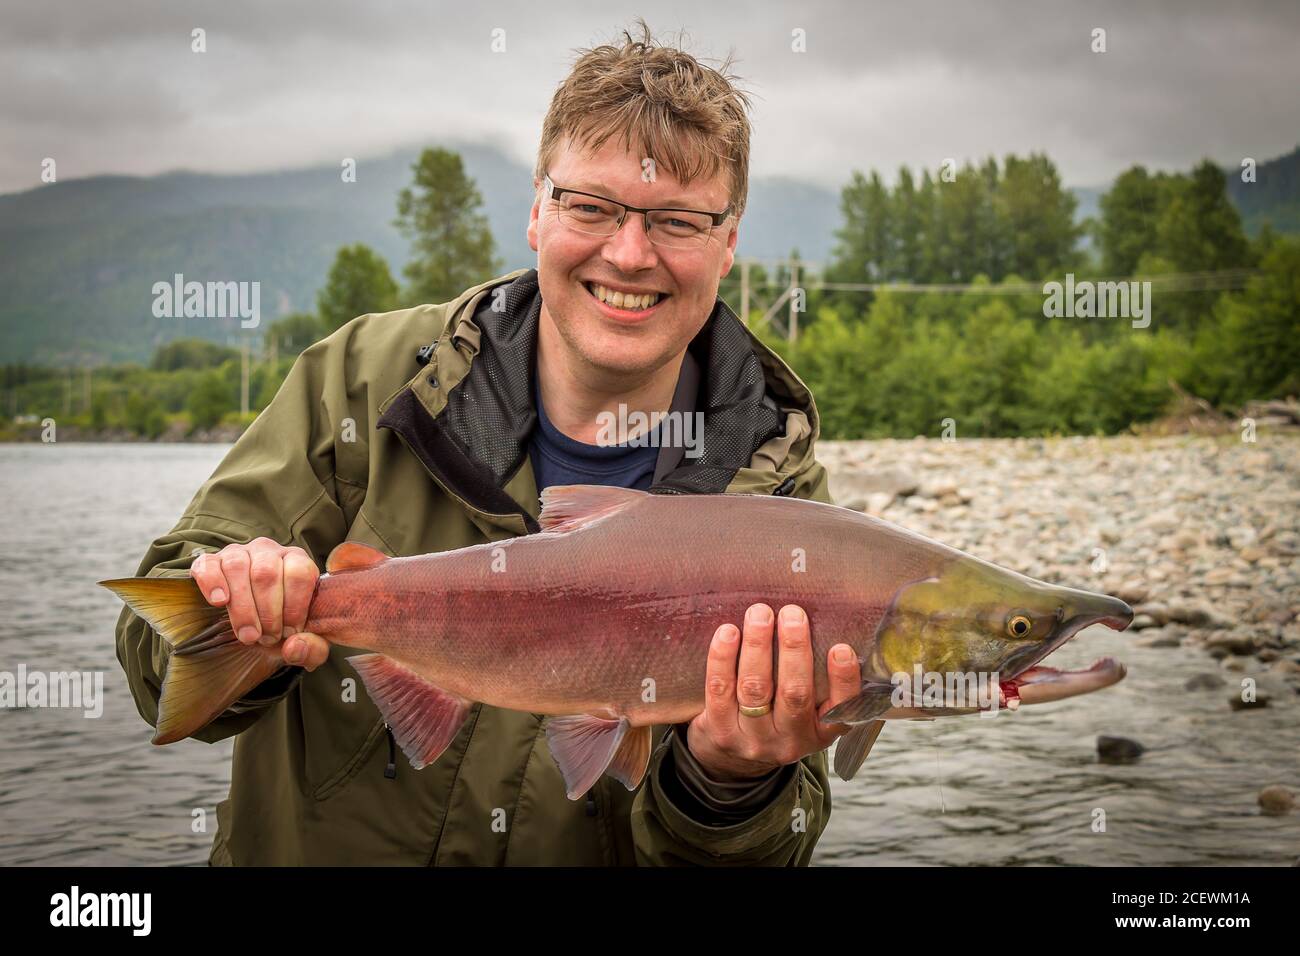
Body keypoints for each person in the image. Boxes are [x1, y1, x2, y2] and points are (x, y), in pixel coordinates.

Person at [114, 20, 862, 866]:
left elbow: (773, 851)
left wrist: (729, 780)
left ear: (729, 243)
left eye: (678, 222)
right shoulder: (365, 380)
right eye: (591, 207)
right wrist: (237, 614)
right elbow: (155, 673)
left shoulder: (778, 498)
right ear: (537, 211)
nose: (628, 253)